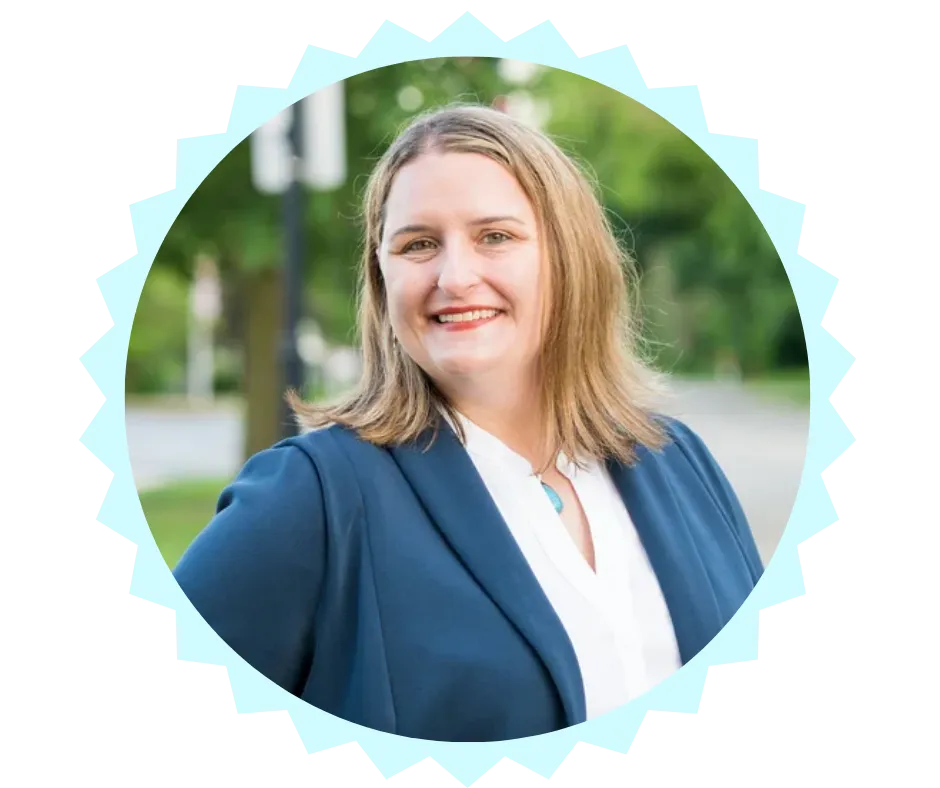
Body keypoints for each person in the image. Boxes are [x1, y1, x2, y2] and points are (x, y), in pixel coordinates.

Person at [172, 103, 764, 743]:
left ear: (570, 258)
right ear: (381, 275)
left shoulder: (680, 462)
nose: (455, 277)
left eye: (496, 236)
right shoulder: (312, 497)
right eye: (418, 244)